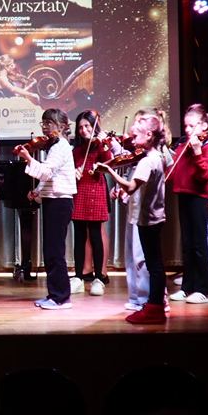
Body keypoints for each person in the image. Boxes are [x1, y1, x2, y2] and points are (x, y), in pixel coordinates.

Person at [96, 115, 168, 324]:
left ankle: (154, 307)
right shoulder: (157, 157)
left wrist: (110, 171)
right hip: (155, 216)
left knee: (153, 265)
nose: (132, 139)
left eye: (135, 136)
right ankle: (154, 305)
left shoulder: (147, 161)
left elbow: (130, 187)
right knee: (155, 263)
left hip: (148, 218)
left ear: (149, 135)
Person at [15, 109, 75, 310]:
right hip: (54, 201)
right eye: (44, 123)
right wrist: (38, 192)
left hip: (59, 203)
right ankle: (54, 295)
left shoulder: (60, 146)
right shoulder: (55, 146)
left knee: (55, 251)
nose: (45, 127)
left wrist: (28, 158)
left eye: (50, 123)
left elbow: (47, 172)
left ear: (62, 126)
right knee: (51, 250)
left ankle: (61, 298)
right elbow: (51, 178)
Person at [167, 104, 208, 305]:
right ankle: (187, 287)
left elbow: (204, 175)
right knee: (188, 244)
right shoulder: (183, 147)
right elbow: (173, 170)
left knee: (199, 243)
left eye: (192, 126)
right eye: (186, 126)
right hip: (184, 195)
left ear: (204, 125)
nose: (188, 130)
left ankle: (205, 289)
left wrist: (198, 153)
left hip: (200, 198)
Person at [70, 109, 119, 296]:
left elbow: (108, 164)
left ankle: (99, 278)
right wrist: (73, 172)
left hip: (96, 192)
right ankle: (78, 278)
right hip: (79, 192)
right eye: (80, 127)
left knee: (96, 235)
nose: (84, 130)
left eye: (87, 126)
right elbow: (70, 170)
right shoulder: (76, 151)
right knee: (79, 236)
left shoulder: (100, 147)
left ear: (94, 126)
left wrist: (105, 144)